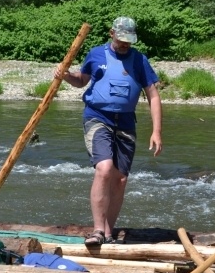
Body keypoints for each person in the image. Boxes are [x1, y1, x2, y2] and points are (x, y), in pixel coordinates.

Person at [55, 17, 163, 245]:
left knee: (120, 179)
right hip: (97, 117)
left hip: (125, 122)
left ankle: (108, 231)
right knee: (104, 169)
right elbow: (81, 80)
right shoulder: (96, 54)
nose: (125, 44)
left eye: (129, 41)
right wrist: (66, 75)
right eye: (122, 39)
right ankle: (97, 230)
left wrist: (156, 131)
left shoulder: (139, 60)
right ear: (112, 33)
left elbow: (153, 95)